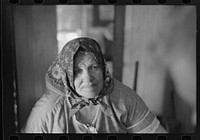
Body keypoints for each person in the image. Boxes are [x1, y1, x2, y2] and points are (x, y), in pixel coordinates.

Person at [21, 37, 167, 133]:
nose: (88, 79)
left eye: (94, 67)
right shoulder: (48, 111)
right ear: (65, 74)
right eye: (77, 71)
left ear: (103, 67)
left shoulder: (124, 98)